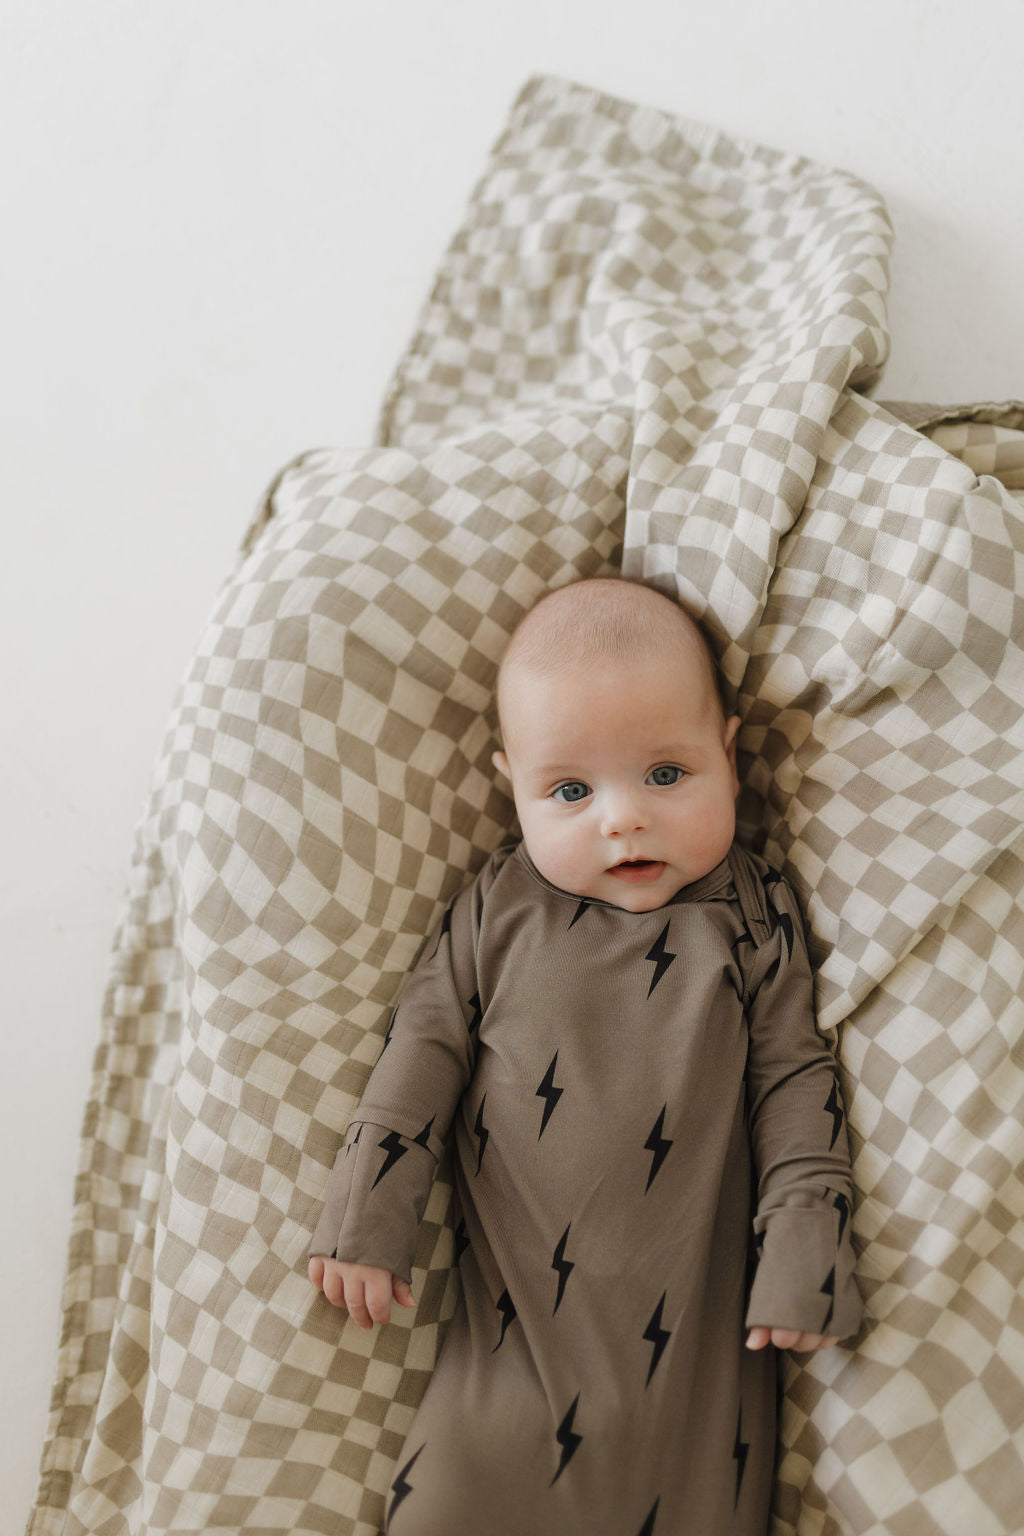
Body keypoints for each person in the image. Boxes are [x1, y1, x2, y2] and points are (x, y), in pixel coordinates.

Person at [308, 576, 863, 1536]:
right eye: (570, 790)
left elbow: (794, 1079)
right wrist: (368, 1209)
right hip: (509, 1350)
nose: (622, 819)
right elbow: (423, 1048)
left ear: (729, 759)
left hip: (693, 1367)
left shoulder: (752, 913)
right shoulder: (497, 909)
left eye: (665, 774)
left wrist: (807, 1232)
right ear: (511, 782)